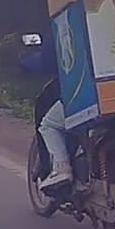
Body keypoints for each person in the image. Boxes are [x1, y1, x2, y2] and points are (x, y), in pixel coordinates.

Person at [31, 36, 72, 190]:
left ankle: (61, 167)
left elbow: (47, 61)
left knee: (48, 125)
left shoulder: (66, 28)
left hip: (89, 96)